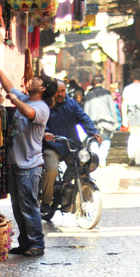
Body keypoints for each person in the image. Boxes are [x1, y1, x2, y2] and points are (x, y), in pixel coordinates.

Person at [0, 67, 57, 257]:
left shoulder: (41, 107)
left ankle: (37, 244)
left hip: (29, 166)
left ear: (43, 88)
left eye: (37, 79)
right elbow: (9, 86)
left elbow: (29, 113)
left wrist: (14, 101)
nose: (32, 80)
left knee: (29, 206)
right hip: (17, 163)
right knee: (18, 207)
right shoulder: (25, 99)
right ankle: (24, 243)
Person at [40, 80, 102, 214]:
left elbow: (84, 118)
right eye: (57, 91)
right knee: (51, 169)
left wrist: (94, 133)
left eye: (63, 91)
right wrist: (46, 133)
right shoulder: (46, 105)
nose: (60, 94)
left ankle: (74, 196)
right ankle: (46, 201)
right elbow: (41, 123)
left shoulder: (72, 104)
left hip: (71, 145)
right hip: (52, 146)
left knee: (83, 167)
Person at [82, 75, 118, 167]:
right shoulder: (107, 93)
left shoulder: (89, 94)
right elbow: (112, 108)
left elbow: (86, 109)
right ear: (103, 82)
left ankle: (97, 159)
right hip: (106, 121)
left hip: (92, 121)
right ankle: (102, 159)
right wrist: (115, 121)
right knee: (105, 139)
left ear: (94, 82)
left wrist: (85, 122)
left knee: (93, 140)